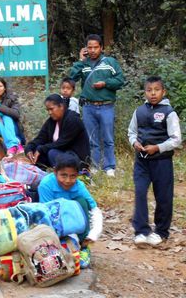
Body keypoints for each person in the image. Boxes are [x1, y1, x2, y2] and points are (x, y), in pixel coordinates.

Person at [128, 76, 182, 246]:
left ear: (163, 92)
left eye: (156, 90)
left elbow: (176, 139)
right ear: (145, 92)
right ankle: (141, 231)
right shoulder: (139, 111)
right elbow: (131, 132)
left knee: (163, 197)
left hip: (162, 161)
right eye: (149, 90)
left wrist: (158, 147)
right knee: (140, 192)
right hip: (142, 161)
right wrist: (134, 142)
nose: (153, 93)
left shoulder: (169, 112)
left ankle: (161, 232)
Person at [69, 34, 125, 177]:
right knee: (91, 138)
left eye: (96, 47)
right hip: (88, 107)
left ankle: (109, 167)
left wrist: (105, 84)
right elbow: (71, 78)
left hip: (106, 106)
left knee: (108, 138)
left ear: (101, 48)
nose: (93, 50)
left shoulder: (110, 62)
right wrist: (81, 60)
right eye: (90, 47)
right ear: (86, 49)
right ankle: (94, 165)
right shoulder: (84, 64)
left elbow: (120, 80)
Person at [38, 153, 103, 268]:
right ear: (55, 172)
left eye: (73, 176)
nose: (68, 180)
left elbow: (94, 209)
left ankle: (83, 247)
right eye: (63, 175)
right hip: (54, 219)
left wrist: (93, 235)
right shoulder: (46, 185)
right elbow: (46, 214)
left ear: (78, 175)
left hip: (73, 219)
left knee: (83, 201)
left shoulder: (79, 186)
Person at [25, 94, 90, 168]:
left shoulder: (72, 119)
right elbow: (40, 138)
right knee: (36, 150)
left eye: (51, 109)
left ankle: (75, 174)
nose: (49, 113)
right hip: (60, 155)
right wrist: (29, 148)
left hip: (77, 158)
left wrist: (41, 149)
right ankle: (43, 173)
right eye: (48, 110)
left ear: (61, 106)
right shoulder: (51, 122)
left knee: (51, 152)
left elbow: (62, 143)